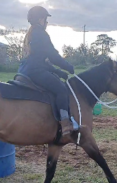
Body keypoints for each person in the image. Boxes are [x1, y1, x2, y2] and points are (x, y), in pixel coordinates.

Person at [18, 6, 75, 136]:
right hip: (35, 72)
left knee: (56, 82)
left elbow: (42, 60)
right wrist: (68, 67)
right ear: (40, 19)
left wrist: (59, 72)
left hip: (24, 71)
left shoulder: (30, 35)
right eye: (45, 19)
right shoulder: (41, 34)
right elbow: (53, 56)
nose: (47, 23)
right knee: (61, 89)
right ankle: (65, 124)